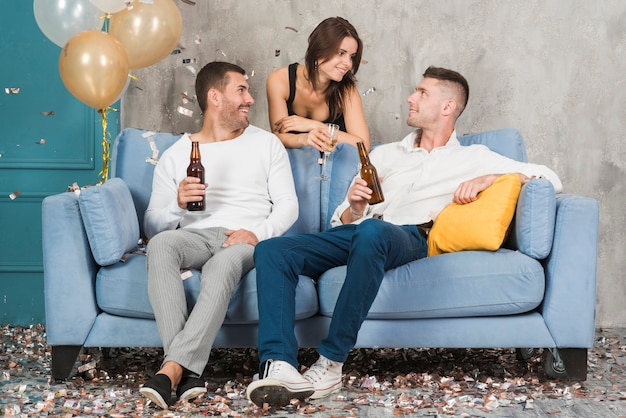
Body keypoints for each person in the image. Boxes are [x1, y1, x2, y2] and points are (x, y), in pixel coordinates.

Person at [246, 66, 563, 407]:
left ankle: (330, 363)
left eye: (422, 93)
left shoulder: (474, 157)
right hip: (362, 230)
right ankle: (279, 364)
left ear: (447, 107)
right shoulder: (384, 155)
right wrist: (354, 206)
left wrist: (493, 178)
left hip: (411, 236)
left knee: (372, 231)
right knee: (272, 250)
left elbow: (550, 178)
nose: (411, 98)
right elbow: (343, 223)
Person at [139, 61, 299, 409]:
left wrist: (257, 233)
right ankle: (185, 373)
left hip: (245, 237)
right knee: (162, 244)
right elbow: (152, 226)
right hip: (196, 236)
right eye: (241, 90)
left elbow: (289, 206)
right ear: (214, 97)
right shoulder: (176, 155)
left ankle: (169, 371)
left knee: (222, 265)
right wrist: (177, 206)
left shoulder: (266, 144)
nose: (251, 99)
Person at [266, 16, 370, 152]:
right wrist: (304, 139)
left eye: (351, 56)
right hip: (297, 163)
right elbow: (279, 136)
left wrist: (314, 126)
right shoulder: (280, 80)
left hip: (334, 163)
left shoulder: (347, 91)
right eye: (341, 53)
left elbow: (363, 146)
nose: (348, 63)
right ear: (319, 50)